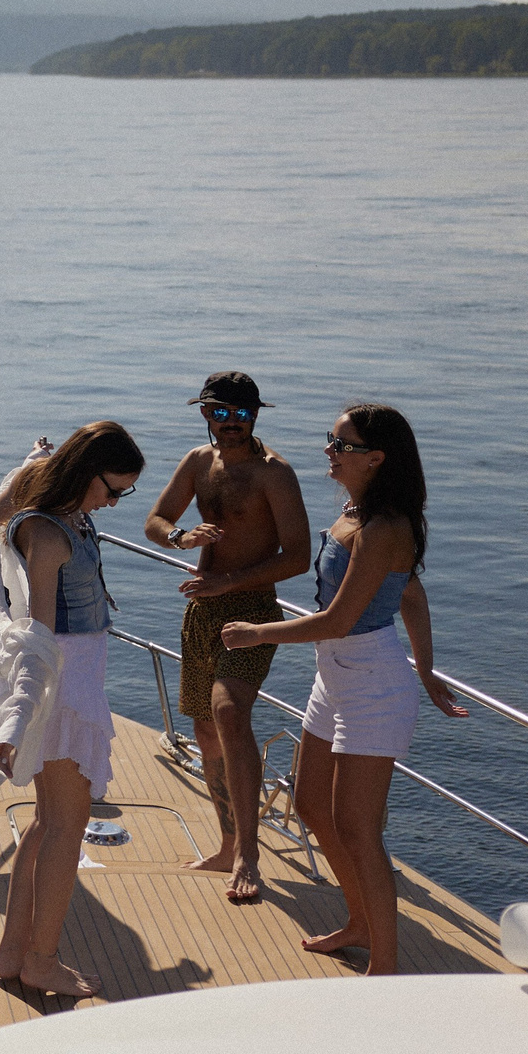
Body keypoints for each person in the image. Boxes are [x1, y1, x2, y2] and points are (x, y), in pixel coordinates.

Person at [220, 404, 469, 973]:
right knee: (309, 803)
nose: (329, 451)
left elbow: (338, 619)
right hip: (335, 678)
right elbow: (408, 595)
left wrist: (259, 633)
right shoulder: (357, 512)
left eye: (341, 444)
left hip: (372, 685)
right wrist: (426, 669)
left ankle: (385, 964)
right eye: (330, 439)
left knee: (359, 829)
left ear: (376, 459)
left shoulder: (386, 529)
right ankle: (359, 919)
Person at [0, 421, 144, 999]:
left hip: (74, 684)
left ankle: (12, 948)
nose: (114, 503)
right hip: (64, 693)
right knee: (67, 829)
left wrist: (33, 463)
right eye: (112, 490)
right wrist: (14, 723)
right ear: (83, 475)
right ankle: (42, 960)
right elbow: (38, 641)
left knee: (49, 822)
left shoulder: (64, 512)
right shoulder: (47, 534)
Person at [142, 371, 310, 904]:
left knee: (230, 712)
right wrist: (180, 536)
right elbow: (156, 517)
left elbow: (299, 556)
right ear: (205, 413)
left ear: (256, 415)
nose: (230, 423)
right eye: (220, 413)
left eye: (241, 414)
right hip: (201, 610)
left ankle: (248, 855)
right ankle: (225, 843)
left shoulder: (274, 474)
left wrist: (227, 582)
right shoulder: (198, 462)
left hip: (249, 607)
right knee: (207, 729)